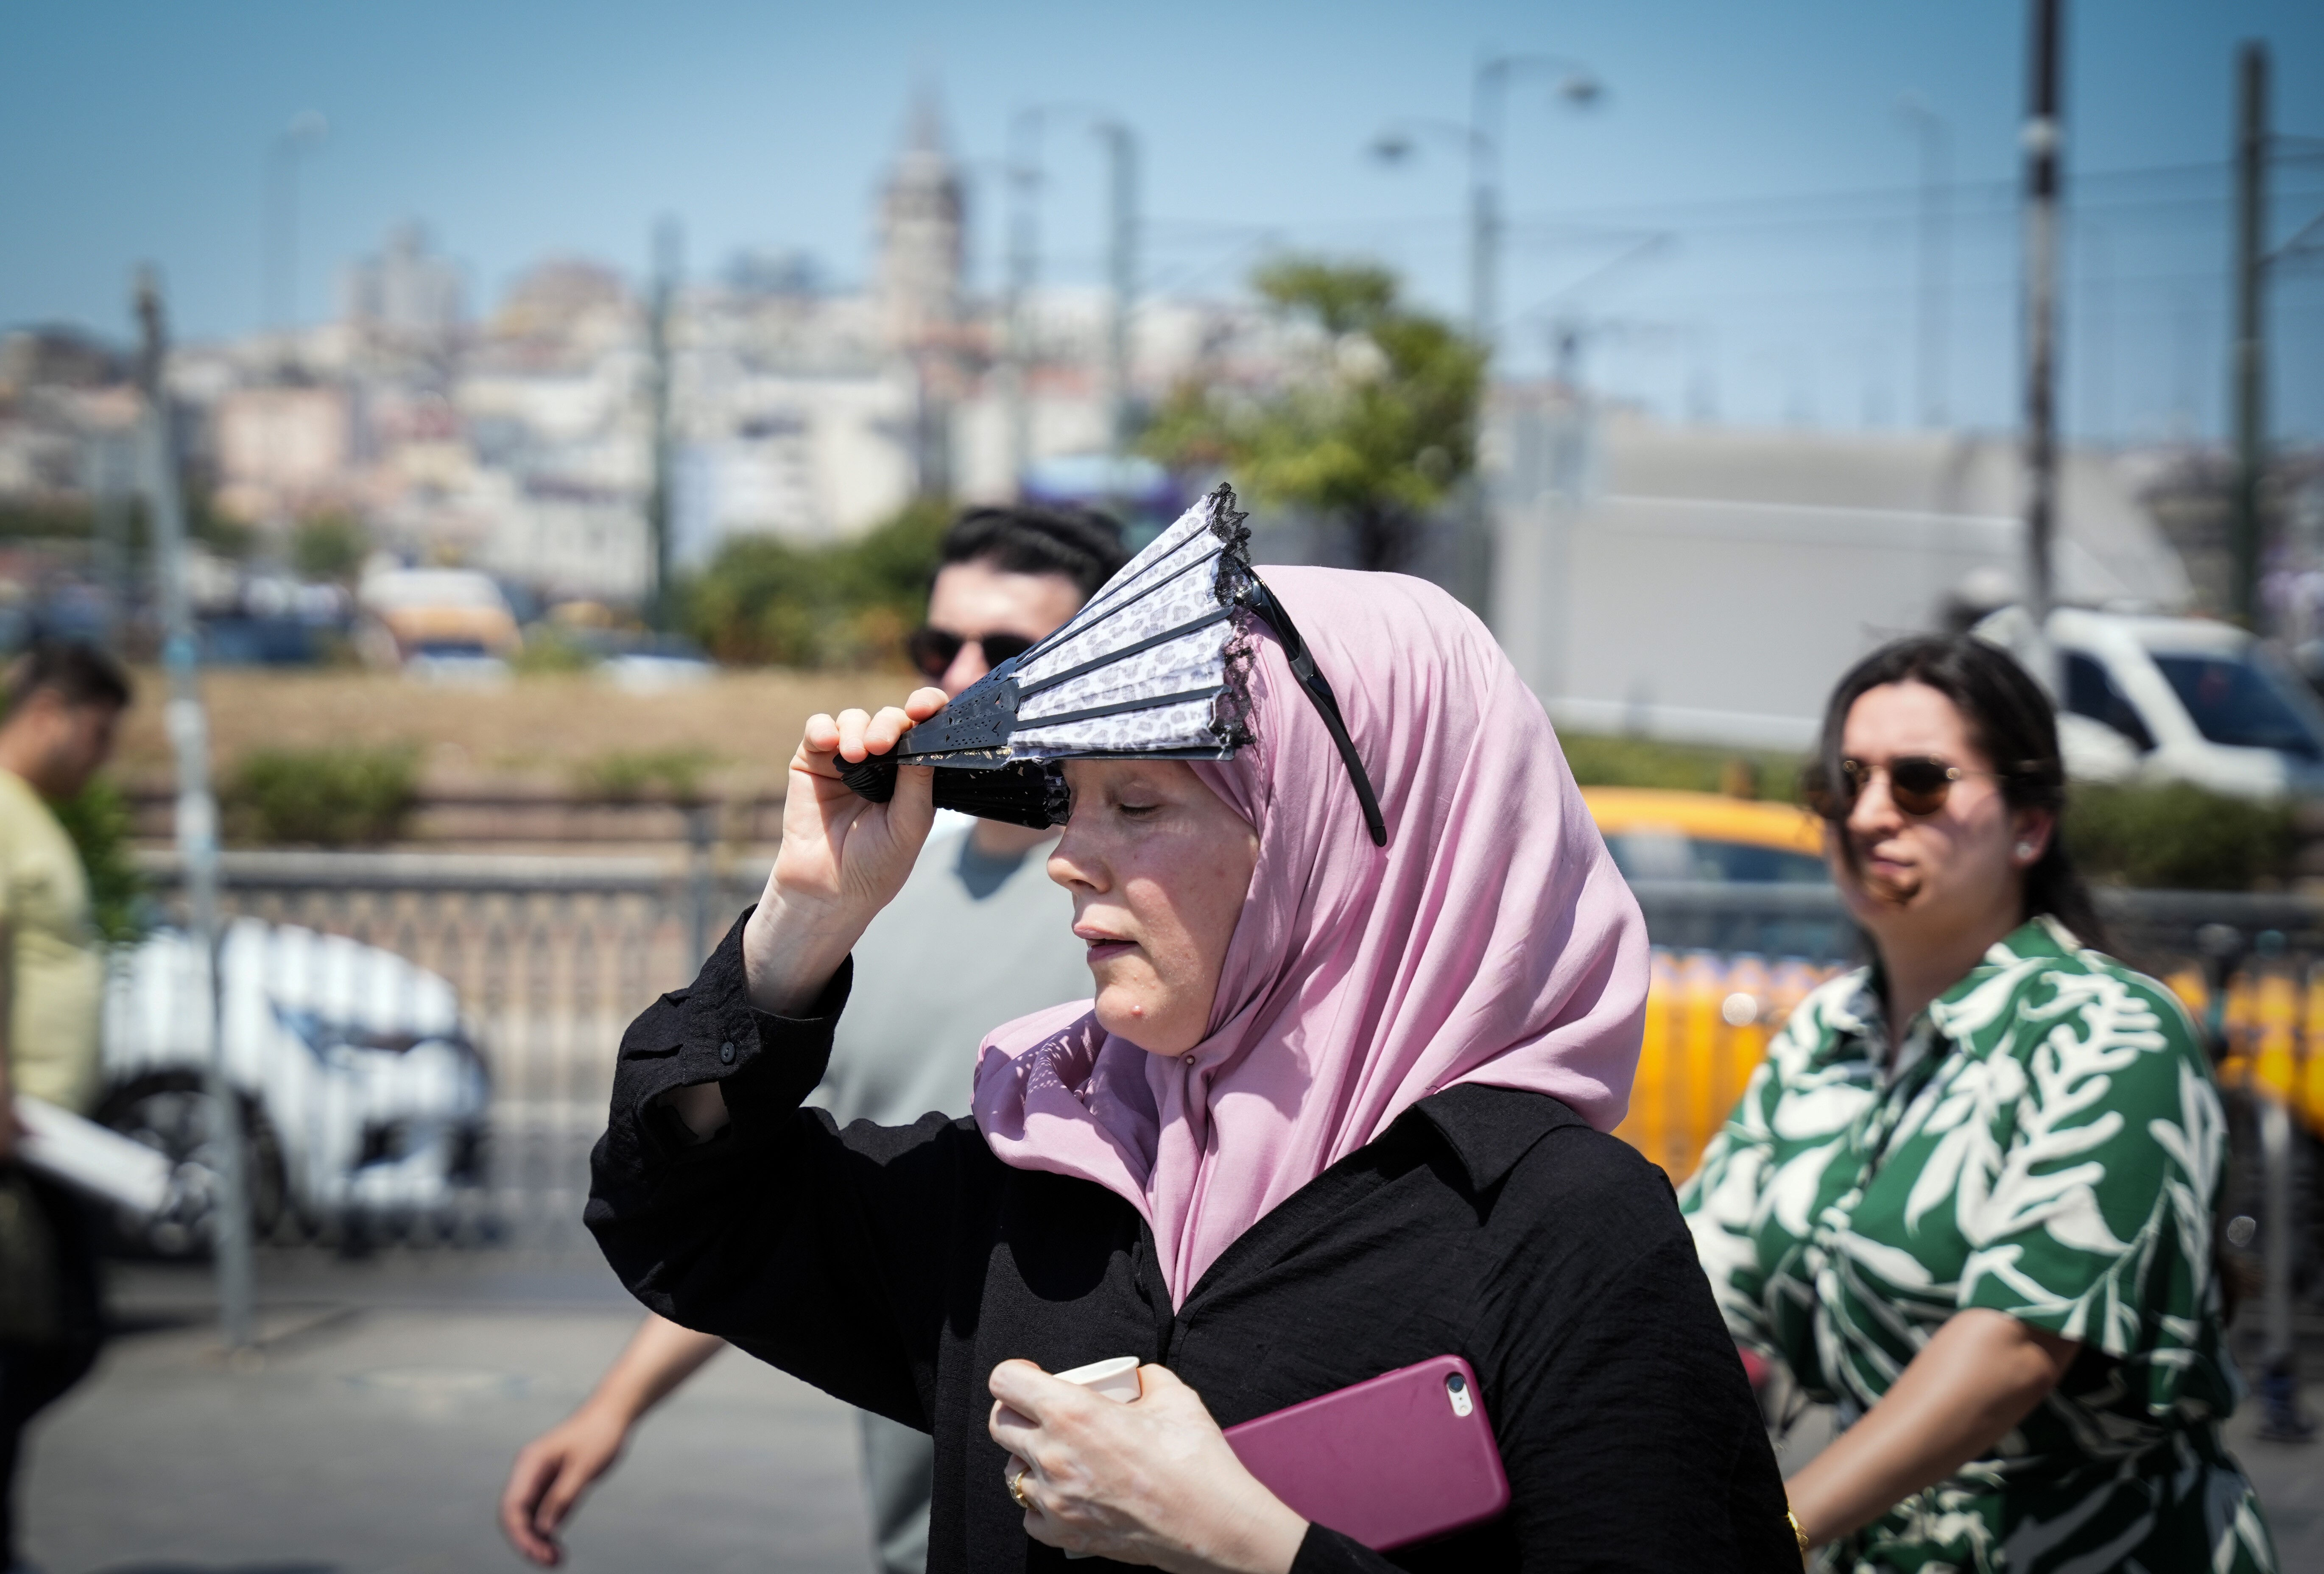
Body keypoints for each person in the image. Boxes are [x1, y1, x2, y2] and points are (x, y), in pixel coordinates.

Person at [587, 516, 1798, 1572]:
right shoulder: (1048, 1175)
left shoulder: (1553, 1225)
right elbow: (684, 1217)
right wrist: (806, 921)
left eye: (1141, 804)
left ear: (1331, 843)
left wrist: (1252, 1546)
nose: (1069, 855)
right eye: (1072, 799)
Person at [501, 505, 1126, 1571]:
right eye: (940, 648)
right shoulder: (883, 871)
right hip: (915, 1502)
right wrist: (614, 1406)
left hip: (1098, 1491)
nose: (963, 674)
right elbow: (787, 1186)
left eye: (1011, 651)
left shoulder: (1138, 901)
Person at [1681, 635, 2278, 1571]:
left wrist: (1777, 1529)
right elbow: (1694, 1292)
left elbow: (2013, 1346)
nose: (1870, 812)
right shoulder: (1821, 1030)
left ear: (2029, 824)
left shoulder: (2112, 1030)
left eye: (1918, 780)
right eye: (1844, 782)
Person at [0, 640, 131, 1574]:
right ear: (48, 712)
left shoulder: (29, 817)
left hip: (43, 1137)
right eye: (95, 734)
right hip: (17, 1140)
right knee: (41, 1337)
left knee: (50, 1337)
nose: (101, 757)